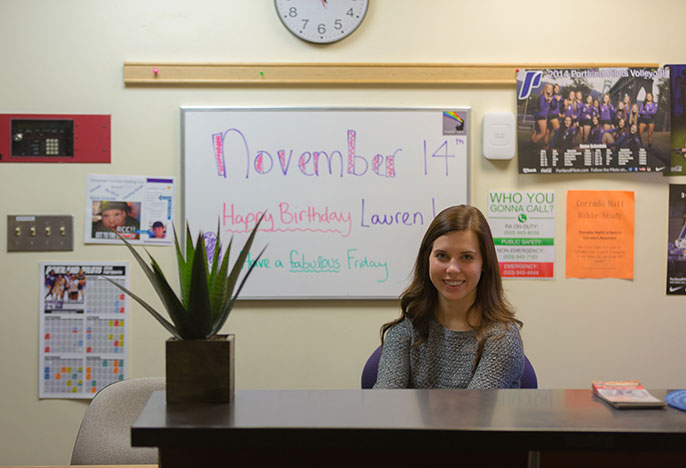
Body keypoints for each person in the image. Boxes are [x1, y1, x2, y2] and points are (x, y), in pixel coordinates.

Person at [373, 205, 524, 389]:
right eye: (442, 256)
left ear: (484, 263)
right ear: (427, 259)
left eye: (467, 257)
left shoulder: (501, 338)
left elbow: (473, 414)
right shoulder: (406, 330)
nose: (452, 269)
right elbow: (385, 406)